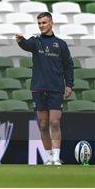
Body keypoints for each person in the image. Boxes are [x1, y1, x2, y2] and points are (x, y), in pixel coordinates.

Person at [15, 12, 74, 165]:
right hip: (38, 87)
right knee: (43, 124)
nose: (41, 25)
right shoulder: (35, 42)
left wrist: (69, 84)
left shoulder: (61, 44)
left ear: (51, 23)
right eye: (39, 23)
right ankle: (48, 157)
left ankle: (56, 157)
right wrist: (20, 40)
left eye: (44, 23)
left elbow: (68, 65)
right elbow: (26, 45)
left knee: (55, 122)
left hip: (56, 87)